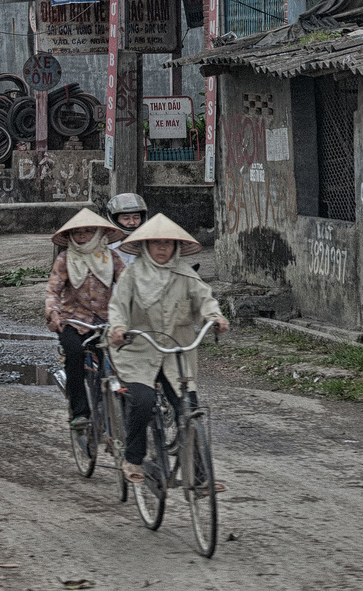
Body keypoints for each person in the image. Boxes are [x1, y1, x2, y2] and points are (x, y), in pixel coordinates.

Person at [107, 213, 228, 484]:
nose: (162, 248)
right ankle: (133, 459)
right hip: (138, 349)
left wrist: (215, 317)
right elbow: (117, 307)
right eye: (156, 243)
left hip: (176, 353)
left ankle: (198, 478)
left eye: (167, 243)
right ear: (145, 246)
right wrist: (117, 328)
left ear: (176, 248)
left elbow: (205, 298)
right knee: (143, 401)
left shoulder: (185, 274)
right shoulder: (132, 275)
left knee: (189, 407)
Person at [44, 208, 127, 430]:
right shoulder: (65, 259)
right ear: (71, 236)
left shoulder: (112, 257)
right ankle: (80, 412)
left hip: (106, 320)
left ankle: (123, 408)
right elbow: (53, 291)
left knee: (123, 357)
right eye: (78, 232)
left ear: (99, 233)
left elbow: (129, 286)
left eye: (89, 231)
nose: (83, 236)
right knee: (74, 354)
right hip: (74, 320)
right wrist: (53, 313)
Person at [106, 192, 148, 265]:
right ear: (115, 220)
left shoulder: (148, 244)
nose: (132, 222)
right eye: (126, 218)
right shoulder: (106, 247)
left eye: (136, 217)